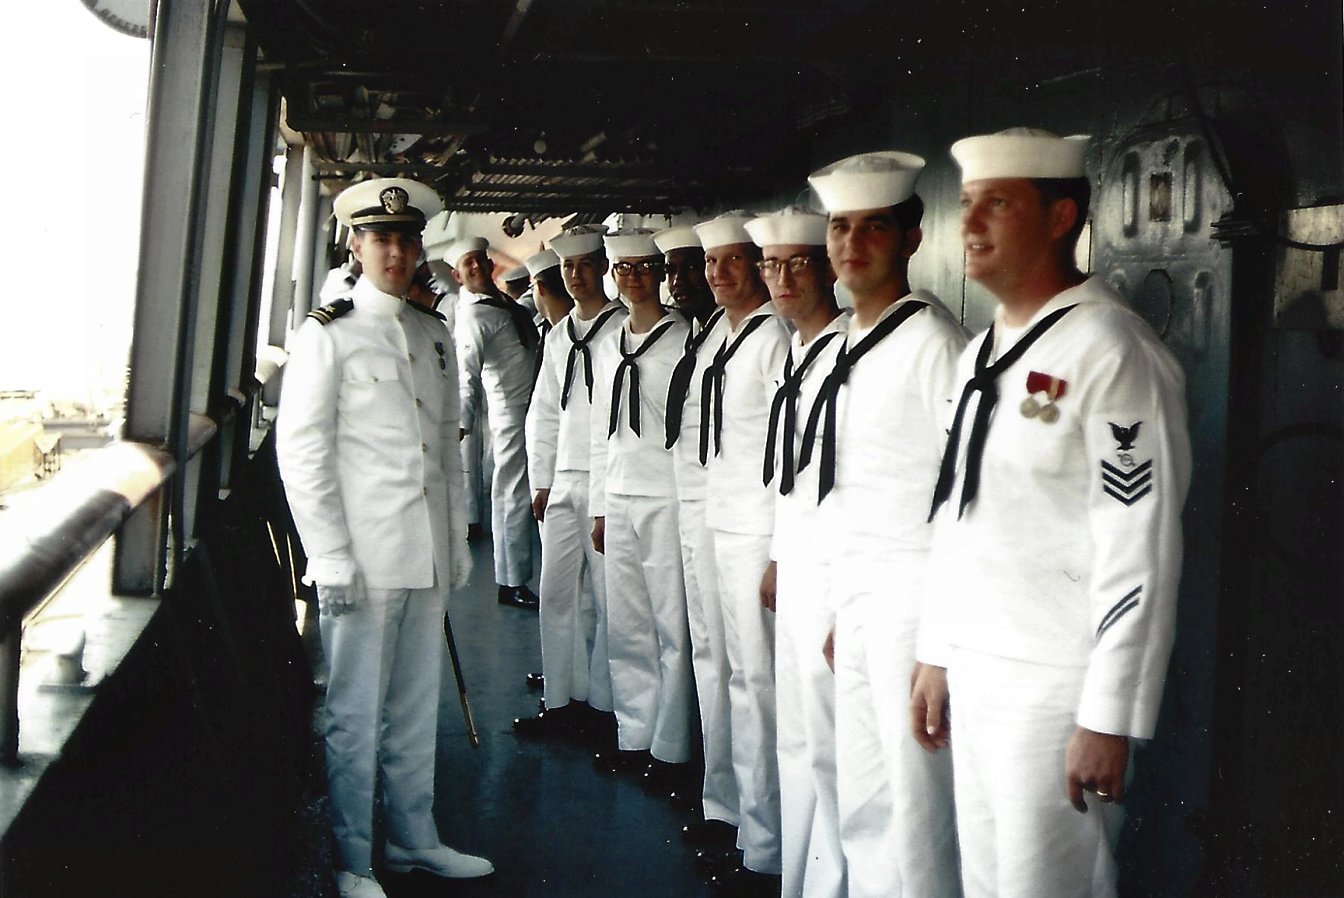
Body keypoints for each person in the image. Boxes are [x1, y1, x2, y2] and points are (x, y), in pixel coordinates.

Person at [912, 128, 1192, 898]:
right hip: (978, 663)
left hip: (1056, 685)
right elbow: (959, 516)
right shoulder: (982, 354)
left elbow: (1140, 544)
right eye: (967, 204)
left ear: (1061, 217)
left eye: (997, 205)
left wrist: (1108, 713)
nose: (969, 225)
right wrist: (938, 650)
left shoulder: (1111, 349)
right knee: (986, 882)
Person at [276, 178, 493, 898]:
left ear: (419, 247)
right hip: (362, 559)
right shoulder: (328, 334)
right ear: (356, 245)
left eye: (405, 239)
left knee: (414, 707)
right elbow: (302, 452)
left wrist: (455, 543)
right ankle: (354, 860)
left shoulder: (433, 334)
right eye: (380, 239)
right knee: (354, 714)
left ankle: (412, 839)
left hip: (423, 552)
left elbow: (446, 448)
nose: (395, 252)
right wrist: (329, 555)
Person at [800, 152, 968, 898]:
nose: (852, 243)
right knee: (865, 793)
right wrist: (844, 607)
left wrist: (940, 644)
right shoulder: (845, 342)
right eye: (840, 226)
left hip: (914, 601)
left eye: (874, 227)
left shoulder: (935, 344)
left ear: (911, 239)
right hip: (862, 595)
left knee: (917, 803)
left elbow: (963, 503)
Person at [745, 206, 850, 898]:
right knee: (798, 736)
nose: (782, 279)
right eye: (772, 266)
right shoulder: (796, 350)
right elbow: (795, 472)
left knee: (834, 749)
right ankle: (794, 877)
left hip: (839, 576)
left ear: (827, 269)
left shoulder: (849, 351)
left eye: (798, 264)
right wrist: (780, 556)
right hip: (801, 567)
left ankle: (828, 884)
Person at [694, 211, 791, 895]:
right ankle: (728, 812)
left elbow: (789, 452)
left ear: (758, 267)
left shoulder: (772, 339)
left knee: (759, 685)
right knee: (730, 675)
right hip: (718, 519)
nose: (719, 273)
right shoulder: (717, 335)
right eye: (711, 262)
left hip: (757, 528)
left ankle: (765, 845)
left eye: (734, 260)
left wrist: (780, 548)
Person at [588, 229, 695, 789]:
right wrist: (600, 506)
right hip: (621, 492)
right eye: (624, 268)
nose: (634, 277)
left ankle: (671, 747)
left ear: (661, 274)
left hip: (666, 494)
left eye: (644, 267)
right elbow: (599, 429)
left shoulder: (685, 338)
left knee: (671, 626)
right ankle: (634, 734)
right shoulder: (609, 343)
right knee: (627, 623)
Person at [518, 239, 625, 738]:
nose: (576, 275)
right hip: (563, 480)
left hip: (606, 482)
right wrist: (541, 478)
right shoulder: (560, 335)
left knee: (607, 599)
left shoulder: (622, 328)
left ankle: (604, 705)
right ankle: (561, 699)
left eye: (585, 265)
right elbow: (542, 410)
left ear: (603, 268)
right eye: (567, 267)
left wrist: (607, 492)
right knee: (556, 594)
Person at [656, 224, 740, 847]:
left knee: (737, 671)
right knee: (709, 658)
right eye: (683, 269)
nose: (688, 280)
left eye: (700, 266)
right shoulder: (706, 333)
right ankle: (719, 795)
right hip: (697, 511)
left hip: (734, 522)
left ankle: (739, 813)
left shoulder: (765, 336)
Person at [446, 235, 542, 610]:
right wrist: (461, 425)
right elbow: (465, 376)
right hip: (510, 412)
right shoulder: (473, 317)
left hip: (534, 408)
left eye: (480, 259)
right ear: (458, 275)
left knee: (522, 491)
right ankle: (512, 581)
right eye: (467, 263)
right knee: (513, 493)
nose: (476, 266)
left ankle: (516, 576)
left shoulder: (501, 303)